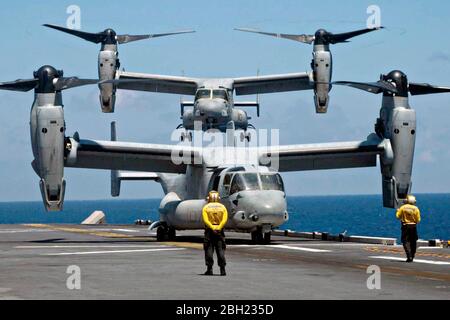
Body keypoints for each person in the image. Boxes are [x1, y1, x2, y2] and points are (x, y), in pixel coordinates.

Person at [202, 190, 228, 276]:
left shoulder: (206, 207)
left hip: (210, 231)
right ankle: (222, 269)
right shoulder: (223, 207)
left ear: (209, 198)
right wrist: (219, 227)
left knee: (209, 250)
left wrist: (212, 228)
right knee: (220, 250)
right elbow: (224, 219)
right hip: (220, 231)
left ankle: (209, 269)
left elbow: (206, 220)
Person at [396, 195, 421, 262]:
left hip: (405, 226)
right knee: (413, 241)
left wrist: (398, 211)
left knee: (405, 241)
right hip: (413, 226)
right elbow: (418, 220)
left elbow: (398, 217)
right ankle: (412, 255)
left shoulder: (402, 207)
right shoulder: (416, 208)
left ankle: (409, 255)